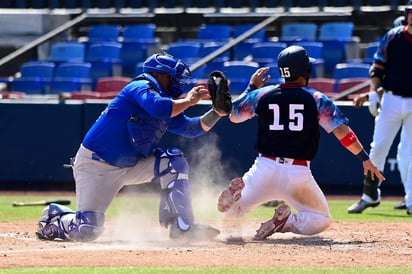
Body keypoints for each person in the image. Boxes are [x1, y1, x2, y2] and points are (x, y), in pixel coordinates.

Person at [36, 52, 224, 242]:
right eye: (173, 77)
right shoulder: (140, 86)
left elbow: (191, 128)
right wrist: (189, 102)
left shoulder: (166, 100)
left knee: (174, 162)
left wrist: (217, 112)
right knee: (86, 230)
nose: (177, 82)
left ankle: (183, 226)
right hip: (96, 165)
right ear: (159, 75)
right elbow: (158, 108)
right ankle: (55, 217)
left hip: (131, 164)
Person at [216, 45, 384, 240]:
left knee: (231, 213)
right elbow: (343, 133)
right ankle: (286, 222)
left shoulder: (263, 94)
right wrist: (364, 158)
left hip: (264, 168)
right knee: (322, 219)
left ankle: (235, 195)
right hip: (297, 174)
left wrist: (251, 88)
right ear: (306, 70)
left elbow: (234, 116)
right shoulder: (316, 99)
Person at [347, 5, 412, 215]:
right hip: (391, 99)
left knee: (409, 153)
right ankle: (370, 195)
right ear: (407, 15)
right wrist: (373, 92)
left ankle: (411, 200)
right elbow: (378, 66)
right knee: (378, 149)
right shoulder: (393, 37)